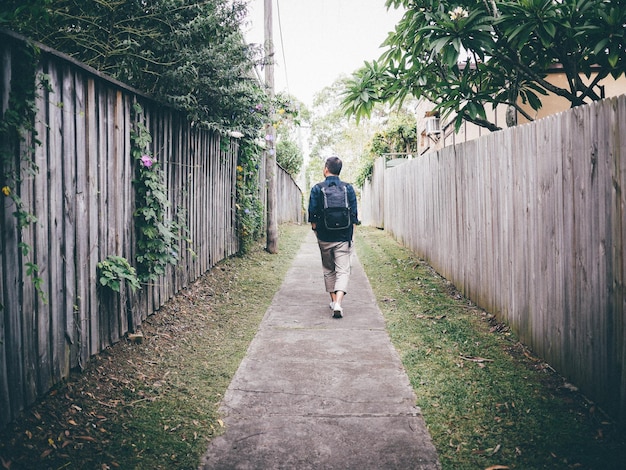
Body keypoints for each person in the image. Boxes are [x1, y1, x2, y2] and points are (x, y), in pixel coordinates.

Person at [308, 156, 359, 318]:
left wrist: (316, 230)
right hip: (344, 236)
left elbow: (312, 214)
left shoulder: (317, 188)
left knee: (329, 269)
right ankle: (338, 303)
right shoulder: (348, 188)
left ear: (325, 169)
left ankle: (333, 300)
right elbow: (354, 214)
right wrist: (351, 234)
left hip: (324, 236)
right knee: (343, 271)